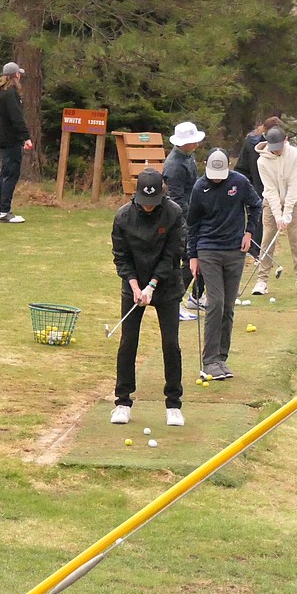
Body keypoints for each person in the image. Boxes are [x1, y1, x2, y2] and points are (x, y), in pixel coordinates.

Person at [110, 168, 186, 427]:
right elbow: (121, 257)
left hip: (166, 286)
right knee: (128, 341)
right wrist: (134, 285)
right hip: (133, 284)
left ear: (162, 193)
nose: (149, 208)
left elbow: (173, 254)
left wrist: (152, 285)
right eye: (145, 203)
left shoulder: (173, 213)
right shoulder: (123, 217)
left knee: (170, 344)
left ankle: (173, 404)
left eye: (153, 203)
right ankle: (122, 401)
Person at [187, 148, 261, 382]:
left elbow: (256, 205)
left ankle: (221, 358)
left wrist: (249, 232)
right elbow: (192, 224)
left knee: (228, 306)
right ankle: (209, 361)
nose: (216, 178)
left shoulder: (239, 182)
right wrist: (193, 256)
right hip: (208, 249)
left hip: (235, 251)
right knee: (215, 303)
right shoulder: (200, 187)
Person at [252, 126, 297, 297]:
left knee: (296, 239)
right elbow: (269, 190)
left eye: (279, 148)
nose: (276, 152)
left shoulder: (295, 155)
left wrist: (288, 213)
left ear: (286, 141)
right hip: (271, 203)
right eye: (273, 148)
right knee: (267, 238)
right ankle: (262, 281)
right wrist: (278, 216)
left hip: (294, 201)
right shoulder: (261, 161)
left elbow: (293, 185)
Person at [163, 121, 204, 320]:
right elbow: (176, 200)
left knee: (199, 255)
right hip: (181, 219)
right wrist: (194, 217)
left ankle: (195, 297)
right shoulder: (175, 165)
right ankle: (175, 302)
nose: (196, 144)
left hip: (192, 214)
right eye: (192, 141)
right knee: (189, 259)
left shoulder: (188, 157)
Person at [233, 116, 280, 260]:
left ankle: (257, 247)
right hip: (248, 181)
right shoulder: (254, 145)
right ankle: (255, 249)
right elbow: (254, 172)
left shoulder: (269, 143)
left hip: (257, 181)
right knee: (259, 211)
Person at [0, 62, 33, 224]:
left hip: (4, 138)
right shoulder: (11, 94)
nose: (20, 77)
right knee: (10, 174)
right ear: (14, 75)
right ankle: (4, 211)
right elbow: (17, 118)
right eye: (19, 74)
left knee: (5, 174)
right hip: (10, 139)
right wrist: (26, 137)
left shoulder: (1, 92)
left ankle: (2, 210)